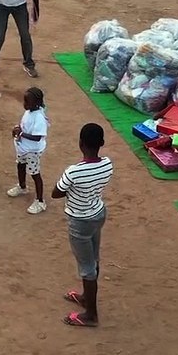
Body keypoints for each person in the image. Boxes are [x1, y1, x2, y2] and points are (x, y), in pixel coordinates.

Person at [52, 122, 113, 328]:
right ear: (102, 143)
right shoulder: (107, 164)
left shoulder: (74, 171)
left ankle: (90, 314)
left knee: (87, 268)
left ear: (80, 143)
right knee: (93, 259)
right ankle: (87, 297)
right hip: (98, 214)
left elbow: (56, 192)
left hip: (80, 221)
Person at [7, 87, 48, 215]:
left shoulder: (39, 118)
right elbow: (25, 125)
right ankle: (22, 186)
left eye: (27, 102)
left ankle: (40, 201)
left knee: (35, 174)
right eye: (24, 101)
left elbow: (37, 137)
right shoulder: (29, 111)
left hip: (32, 151)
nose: (24, 104)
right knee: (20, 165)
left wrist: (22, 134)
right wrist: (18, 128)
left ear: (36, 102)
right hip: (23, 148)